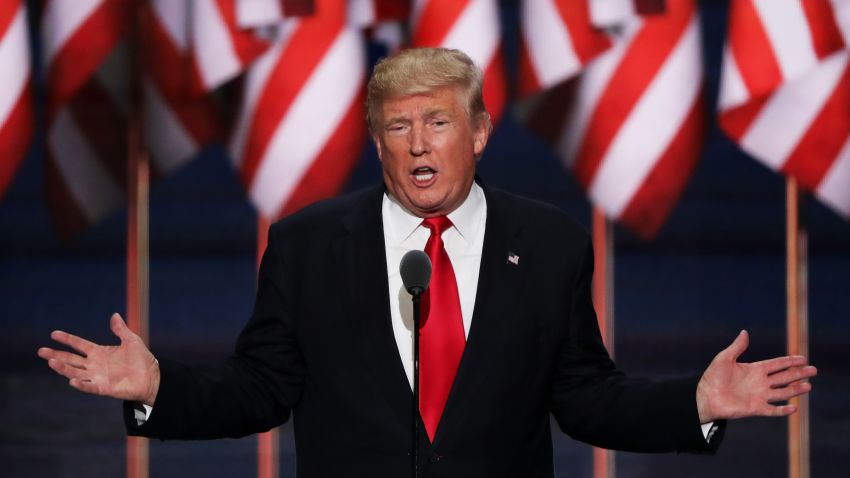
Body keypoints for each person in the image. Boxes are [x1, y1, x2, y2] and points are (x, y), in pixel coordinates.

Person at [38, 48, 816, 477]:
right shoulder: (310, 244)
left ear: (477, 132)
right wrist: (157, 389)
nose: (417, 143)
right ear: (375, 142)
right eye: (397, 126)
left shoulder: (548, 245)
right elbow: (261, 391)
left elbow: (584, 400)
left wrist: (698, 404)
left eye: (437, 122)